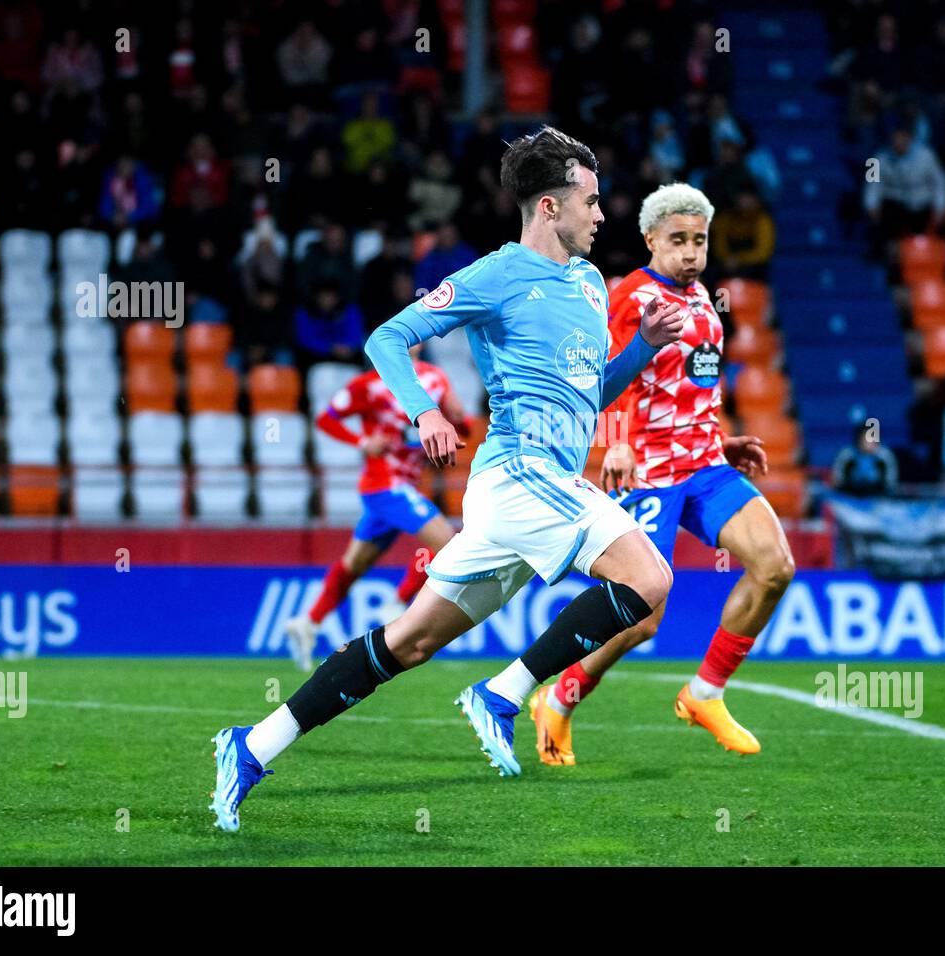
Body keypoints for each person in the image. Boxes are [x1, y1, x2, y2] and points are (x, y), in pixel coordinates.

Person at [208, 126, 686, 831]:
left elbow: (593, 396)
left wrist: (643, 347)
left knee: (410, 642)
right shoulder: (496, 274)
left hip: (537, 488)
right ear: (549, 207)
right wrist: (425, 411)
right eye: (591, 199)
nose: (603, 214)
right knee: (650, 583)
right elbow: (387, 338)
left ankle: (251, 744)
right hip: (518, 474)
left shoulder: (589, 285)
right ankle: (505, 692)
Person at [528, 183, 796, 765]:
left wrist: (723, 440)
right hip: (648, 474)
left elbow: (685, 390)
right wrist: (616, 444)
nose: (691, 252)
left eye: (699, 241)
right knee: (641, 621)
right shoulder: (631, 295)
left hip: (705, 465)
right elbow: (603, 373)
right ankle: (560, 697)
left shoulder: (704, 300)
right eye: (678, 240)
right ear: (651, 239)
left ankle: (705, 693)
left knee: (775, 566)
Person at [284, 342, 470, 671]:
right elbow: (326, 419)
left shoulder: (436, 379)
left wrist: (458, 421)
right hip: (385, 485)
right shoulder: (368, 385)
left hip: (406, 485)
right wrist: (362, 442)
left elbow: (461, 425)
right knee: (449, 544)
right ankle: (396, 604)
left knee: (353, 565)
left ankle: (307, 623)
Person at [832, 423, 900, 495]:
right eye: (866, 438)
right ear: (858, 439)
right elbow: (838, 481)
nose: (870, 442)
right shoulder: (847, 455)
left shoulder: (885, 456)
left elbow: (890, 483)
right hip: (850, 496)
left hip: (878, 497)